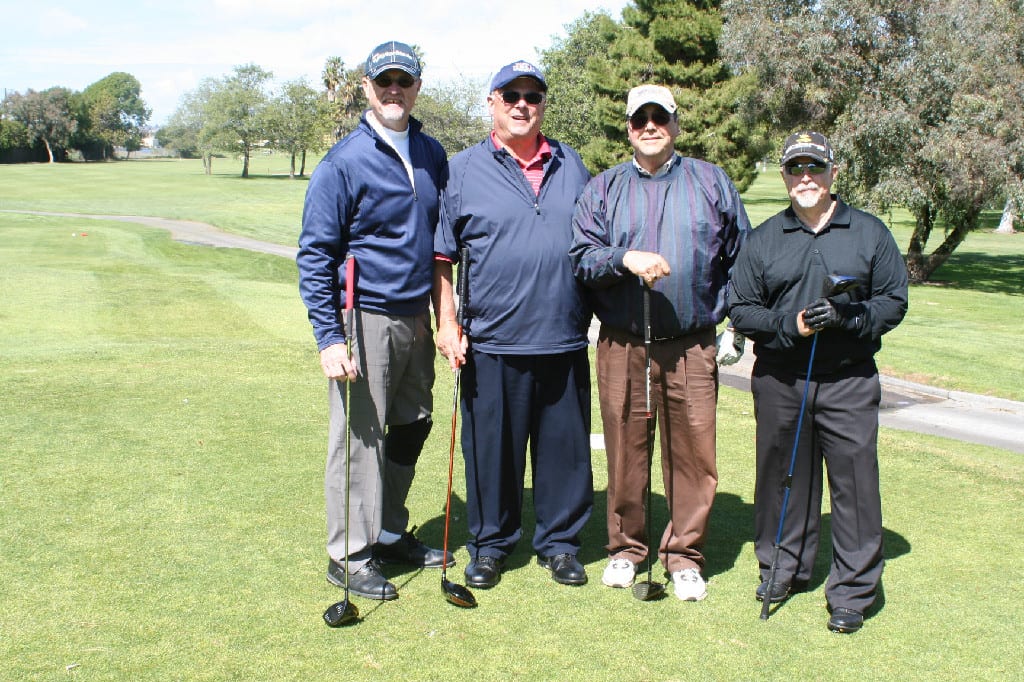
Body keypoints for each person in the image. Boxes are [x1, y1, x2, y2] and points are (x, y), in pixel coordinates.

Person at [569, 84, 751, 601]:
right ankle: (626, 549)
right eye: (639, 118)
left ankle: (685, 556)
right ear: (628, 127)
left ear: (675, 124)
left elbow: (741, 258)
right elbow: (581, 256)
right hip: (623, 345)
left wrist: (737, 322)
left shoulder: (711, 182)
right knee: (626, 451)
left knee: (693, 452)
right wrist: (623, 258)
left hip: (691, 344)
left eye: (660, 117)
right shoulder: (604, 188)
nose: (650, 126)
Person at [728, 131, 909, 632]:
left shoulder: (869, 232)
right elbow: (741, 307)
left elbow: (894, 300)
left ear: (833, 172)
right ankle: (783, 567)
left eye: (815, 167)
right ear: (784, 176)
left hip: (849, 379)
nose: (805, 177)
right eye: (794, 169)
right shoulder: (764, 239)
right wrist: (792, 325)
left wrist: (851, 316)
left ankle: (852, 590)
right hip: (782, 379)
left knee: (854, 485)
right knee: (782, 478)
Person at [297, 40, 453, 601]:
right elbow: (315, 254)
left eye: (403, 81)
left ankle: (388, 532)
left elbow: (442, 243)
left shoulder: (432, 153)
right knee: (361, 440)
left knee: (413, 424)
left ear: (417, 87)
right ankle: (349, 555)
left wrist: (446, 315)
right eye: (383, 81)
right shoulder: (343, 162)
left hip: (416, 316)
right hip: (364, 317)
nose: (394, 90)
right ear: (366, 87)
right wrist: (328, 337)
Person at [432, 60, 594, 589]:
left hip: (563, 336)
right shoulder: (462, 170)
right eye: (511, 95)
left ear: (543, 103)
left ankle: (560, 544)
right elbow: (442, 259)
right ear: (492, 102)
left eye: (533, 95)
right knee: (492, 453)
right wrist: (448, 323)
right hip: (491, 341)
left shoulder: (573, 166)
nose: (522, 104)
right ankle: (490, 544)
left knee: (564, 455)